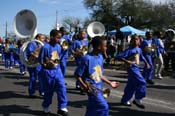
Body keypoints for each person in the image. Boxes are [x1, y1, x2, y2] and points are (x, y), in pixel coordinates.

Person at [75, 36, 120, 116]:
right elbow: (77, 75)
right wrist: (85, 87)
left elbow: (100, 75)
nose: (106, 48)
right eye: (105, 46)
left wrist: (110, 83)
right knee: (104, 107)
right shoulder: (86, 59)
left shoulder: (100, 57)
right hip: (92, 89)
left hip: (99, 87)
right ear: (99, 47)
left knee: (92, 109)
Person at [38, 29, 68, 116]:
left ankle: (62, 107)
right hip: (48, 72)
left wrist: (65, 50)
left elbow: (59, 58)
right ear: (52, 36)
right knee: (49, 91)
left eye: (60, 38)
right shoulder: (45, 47)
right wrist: (46, 64)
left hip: (57, 71)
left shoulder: (59, 46)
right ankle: (46, 106)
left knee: (62, 88)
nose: (59, 39)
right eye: (57, 37)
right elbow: (40, 60)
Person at [116, 35, 150, 109]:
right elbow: (118, 56)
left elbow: (141, 56)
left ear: (139, 41)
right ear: (131, 41)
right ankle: (138, 98)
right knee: (142, 82)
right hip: (131, 68)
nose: (135, 41)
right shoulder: (129, 50)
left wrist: (146, 63)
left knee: (131, 85)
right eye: (134, 39)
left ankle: (125, 100)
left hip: (136, 68)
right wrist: (126, 61)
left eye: (137, 39)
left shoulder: (139, 49)